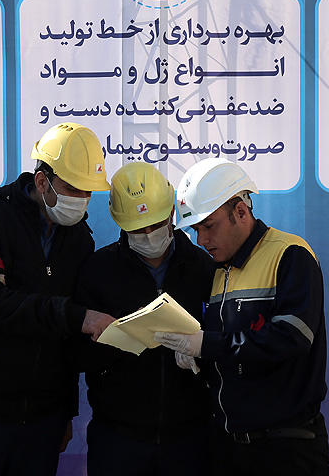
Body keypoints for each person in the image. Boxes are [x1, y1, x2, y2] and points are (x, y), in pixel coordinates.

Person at [0, 122, 116, 476]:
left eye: (87, 191)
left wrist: (66, 411)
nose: (81, 199)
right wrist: (77, 316)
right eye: (72, 188)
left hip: (43, 421)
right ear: (41, 181)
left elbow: (66, 341)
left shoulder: (80, 239)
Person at [154, 157, 329, 476]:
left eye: (209, 226)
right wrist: (197, 357)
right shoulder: (218, 271)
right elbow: (232, 352)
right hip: (227, 447)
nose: (202, 240)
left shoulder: (290, 253)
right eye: (196, 230)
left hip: (286, 450)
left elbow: (292, 338)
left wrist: (207, 345)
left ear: (240, 211)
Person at [75, 161, 214, 476]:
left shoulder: (203, 267)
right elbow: (75, 353)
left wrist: (200, 353)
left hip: (191, 437)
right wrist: (116, 341)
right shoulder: (97, 270)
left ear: (171, 213)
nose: (149, 235)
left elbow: (224, 342)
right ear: (121, 223)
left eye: (156, 224)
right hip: (118, 438)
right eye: (138, 229)